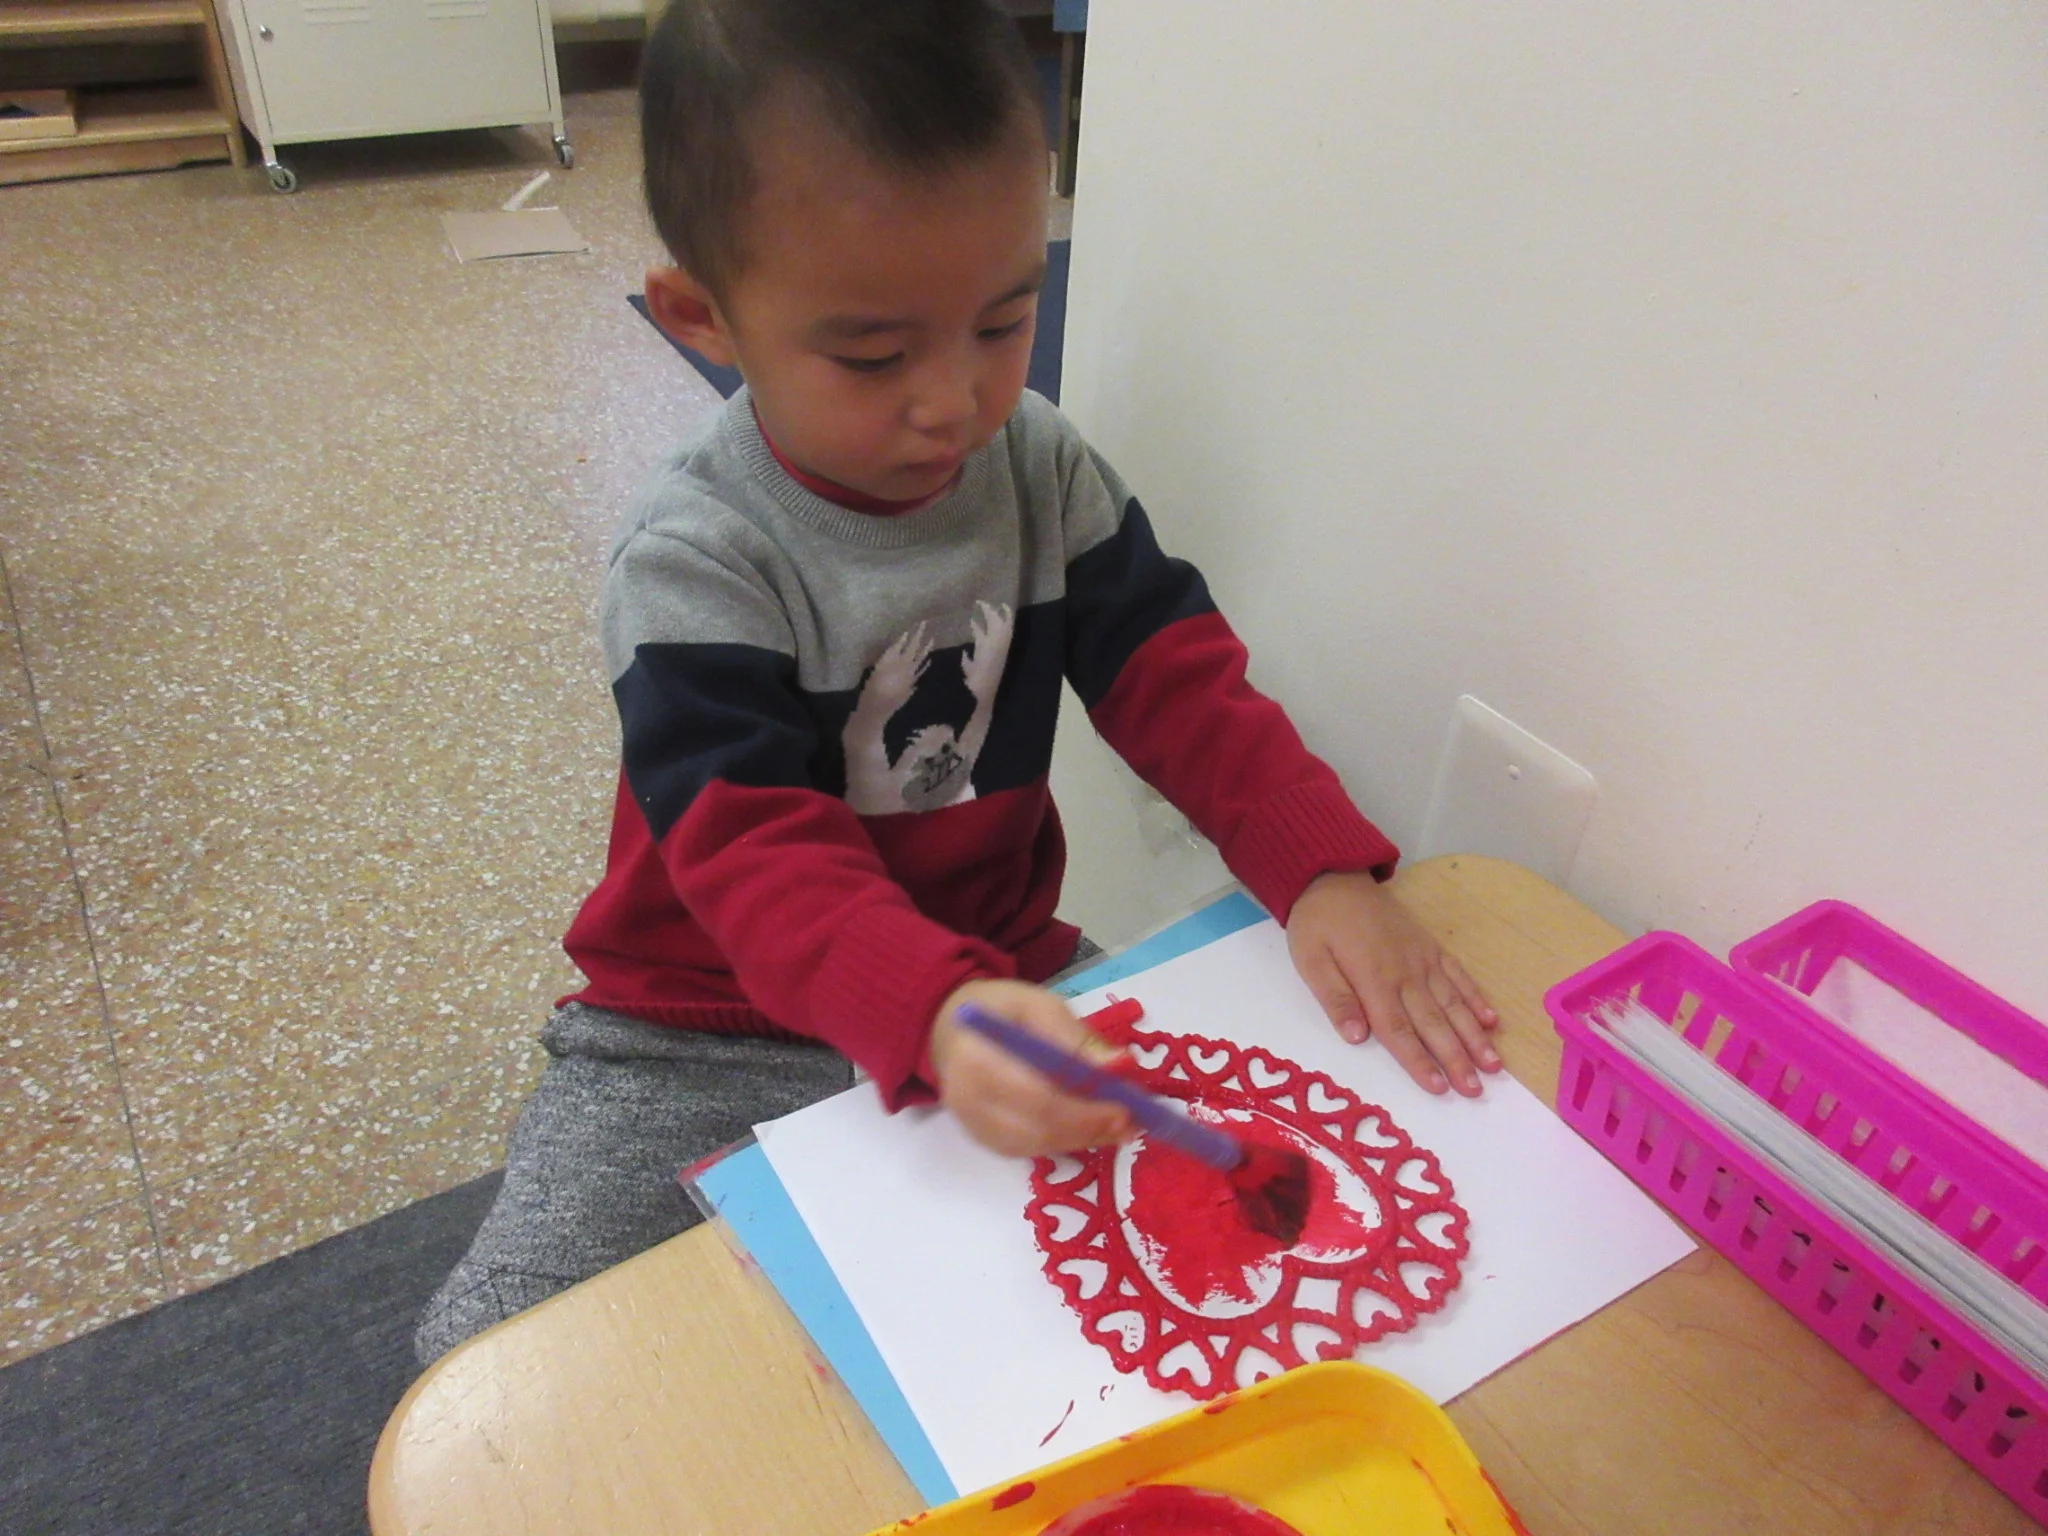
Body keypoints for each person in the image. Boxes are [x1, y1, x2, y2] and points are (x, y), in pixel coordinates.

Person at [414, 0, 1498, 1366]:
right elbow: (753, 851)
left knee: (1121, 1327)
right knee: (498, 1361)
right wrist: (921, 1007)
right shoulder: (696, 557)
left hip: (1001, 980)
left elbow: (1178, 678)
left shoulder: (1040, 465)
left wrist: (1320, 868)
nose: (954, 402)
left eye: (1003, 320)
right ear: (703, 317)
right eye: (873, 355)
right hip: (702, 1024)